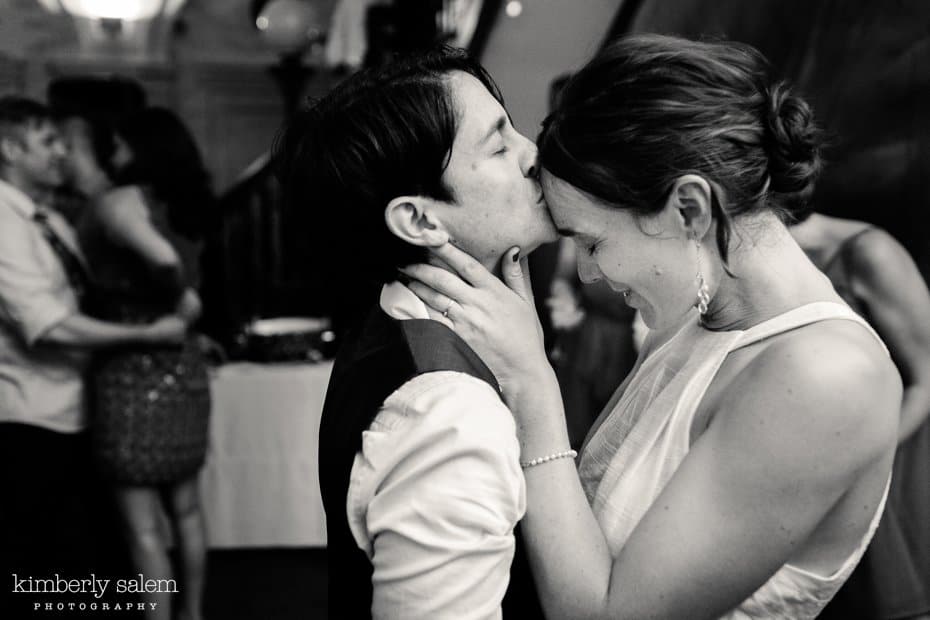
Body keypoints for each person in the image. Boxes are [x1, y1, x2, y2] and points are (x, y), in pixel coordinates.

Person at [401, 34, 902, 619]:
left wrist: (531, 383)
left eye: (593, 241)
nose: (586, 272)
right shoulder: (693, 316)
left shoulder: (825, 377)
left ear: (689, 210)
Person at [274, 46, 556, 618]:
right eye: (499, 144)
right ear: (421, 220)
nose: (533, 154)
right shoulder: (449, 412)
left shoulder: (394, 311)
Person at [0, 97, 186, 617]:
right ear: (10, 149)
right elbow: (51, 326)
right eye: (48, 142)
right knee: (35, 574)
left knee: (81, 565)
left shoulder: (49, 220)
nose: (62, 154)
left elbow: (89, 298)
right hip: (30, 418)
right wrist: (148, 335)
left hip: (80, 407)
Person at [70, 107, 212, 620]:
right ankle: (192, 614)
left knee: (143, 529)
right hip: (183, 367)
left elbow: (165, 262)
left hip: (133, 373)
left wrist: (178, 296)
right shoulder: (180, 203)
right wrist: (187, 301)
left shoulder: (120, 200)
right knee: (188, 511)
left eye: (123, 144)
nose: (116, 154)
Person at [790, 212, 930, 620]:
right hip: (827, 464)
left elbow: (927, 377)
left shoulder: (870, 253)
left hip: (895, 452)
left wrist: (860, 461)